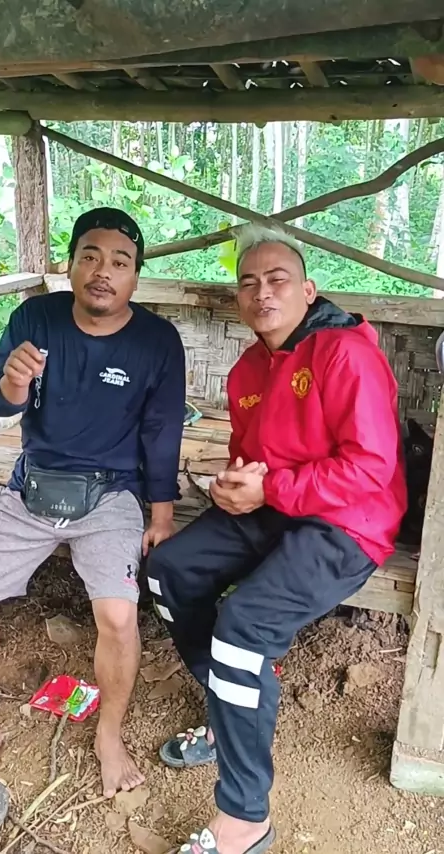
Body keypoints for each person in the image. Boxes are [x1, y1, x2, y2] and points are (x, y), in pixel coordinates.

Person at [147, 225, 407, 854]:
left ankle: (245, 818)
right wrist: (236, 483)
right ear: (239, 300)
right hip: (277, 506)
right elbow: (253, 457)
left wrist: (270, 490)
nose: (261, 292)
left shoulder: (344, 354)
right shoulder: (246, 370)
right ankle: (227, 711)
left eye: (277, 279)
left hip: (350, 523)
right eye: (248, 283)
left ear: (307, 290)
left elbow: (370, 468)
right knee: (166, 571)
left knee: (244, 626)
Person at [0, 207, 185, 798]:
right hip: (31, 485)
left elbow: (163, 430)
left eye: (120, 261)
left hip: (111, 493)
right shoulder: (36, 318)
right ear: (70, 265)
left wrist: (162, 513)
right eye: (90, 256)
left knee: (118, 616)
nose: (103, 271)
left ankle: (109, 735)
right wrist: (13, 381)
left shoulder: (156, 341)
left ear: (135, 275)